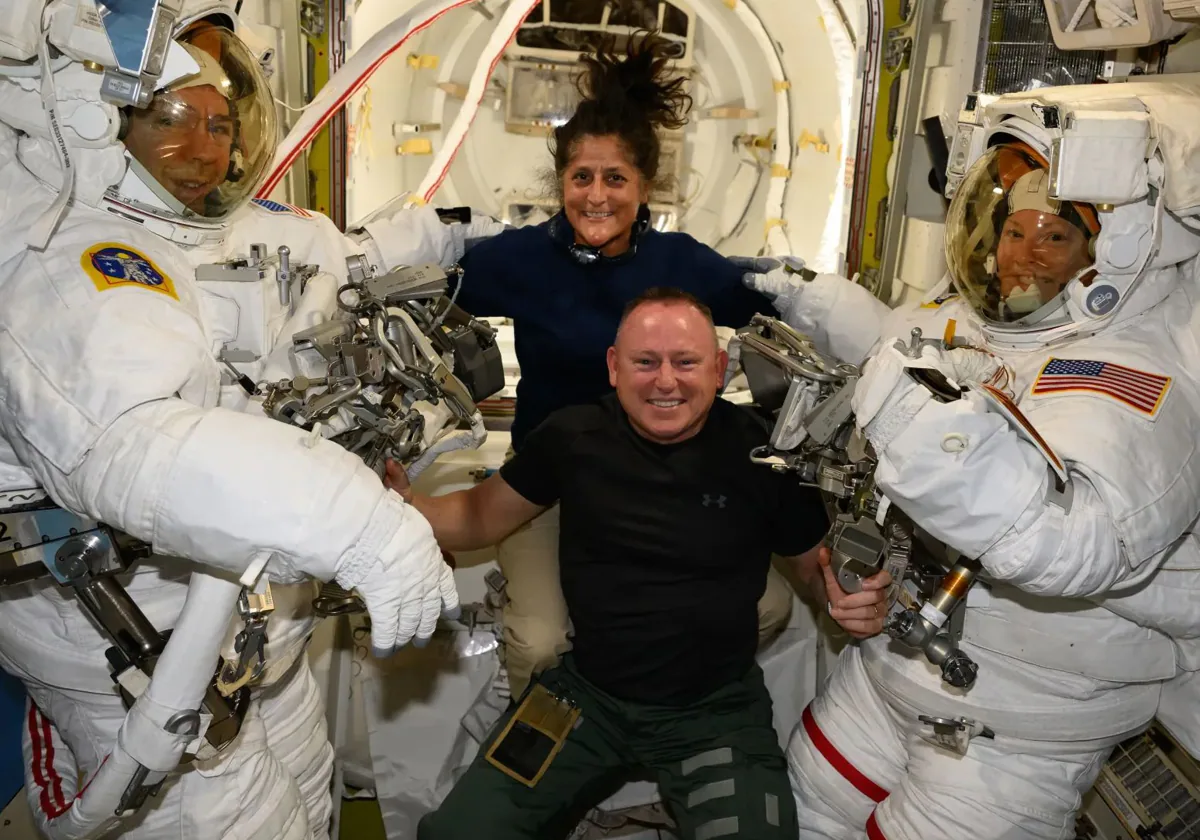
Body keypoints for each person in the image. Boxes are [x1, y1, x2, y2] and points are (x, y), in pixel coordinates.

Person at [0, 6, 501, 838]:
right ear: (100, 115)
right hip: (146, 667)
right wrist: (366, 531)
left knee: (311, 805)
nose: (206, 153)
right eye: (173, 121)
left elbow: (357, 256)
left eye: (222, 125)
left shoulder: (246, 232)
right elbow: (137, 439)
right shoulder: (64, 258)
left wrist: (493, 235)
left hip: (254, 650)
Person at [740, 85, 1200, 839]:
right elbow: (897, 354)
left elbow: (1079, 543)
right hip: (897, 664)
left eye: (1054, 237)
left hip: (1020, 712)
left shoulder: (1135, 374)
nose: (1023, 254)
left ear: (1104, 255)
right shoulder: (968, 316)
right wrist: (814, 304)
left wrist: (929, 440)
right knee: (802, 815)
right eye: (1014, 231)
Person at [389, 287, 891, 840]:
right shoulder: (573, 436)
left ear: (720, 369)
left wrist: (847, 598)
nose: (665, 381)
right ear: (614, 367)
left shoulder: (764, 457)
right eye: (645, 362)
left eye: (686, 362)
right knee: (458, 835)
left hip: (714, 713)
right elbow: (479, 515)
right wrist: (394, 506)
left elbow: (812, 567)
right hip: (584, 700)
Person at [401, 31, 793, 697]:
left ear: (646, 186)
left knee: (767, 607)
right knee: (542, 642)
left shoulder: (683, 265)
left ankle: (652, 713)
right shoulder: (520, 260)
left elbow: (778, 304)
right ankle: (554, 762)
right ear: (561, 182)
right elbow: (422, 285)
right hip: (544, 487)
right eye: (581, 177)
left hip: (665, 484)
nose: (597, 196)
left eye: (616, 178)